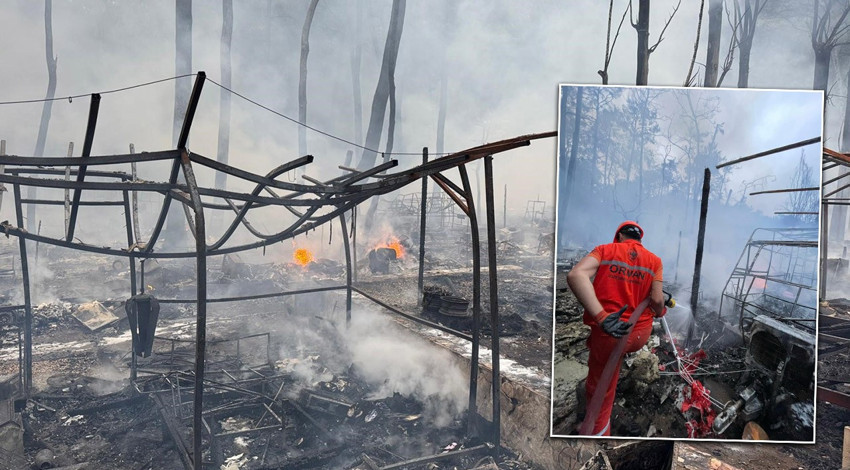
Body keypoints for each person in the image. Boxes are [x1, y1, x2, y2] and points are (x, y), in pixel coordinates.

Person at [567, 221, 666, 436]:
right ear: (640, 239)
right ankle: (595, 424)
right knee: (613, 368)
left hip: (611, 332)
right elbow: (658, 300)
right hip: (639, 334)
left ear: (619, 236)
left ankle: (598, 433)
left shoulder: (605, 250)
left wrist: (602, 316)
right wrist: (661, 312)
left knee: (601, 386)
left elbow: (576, 275)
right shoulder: (655, 261)